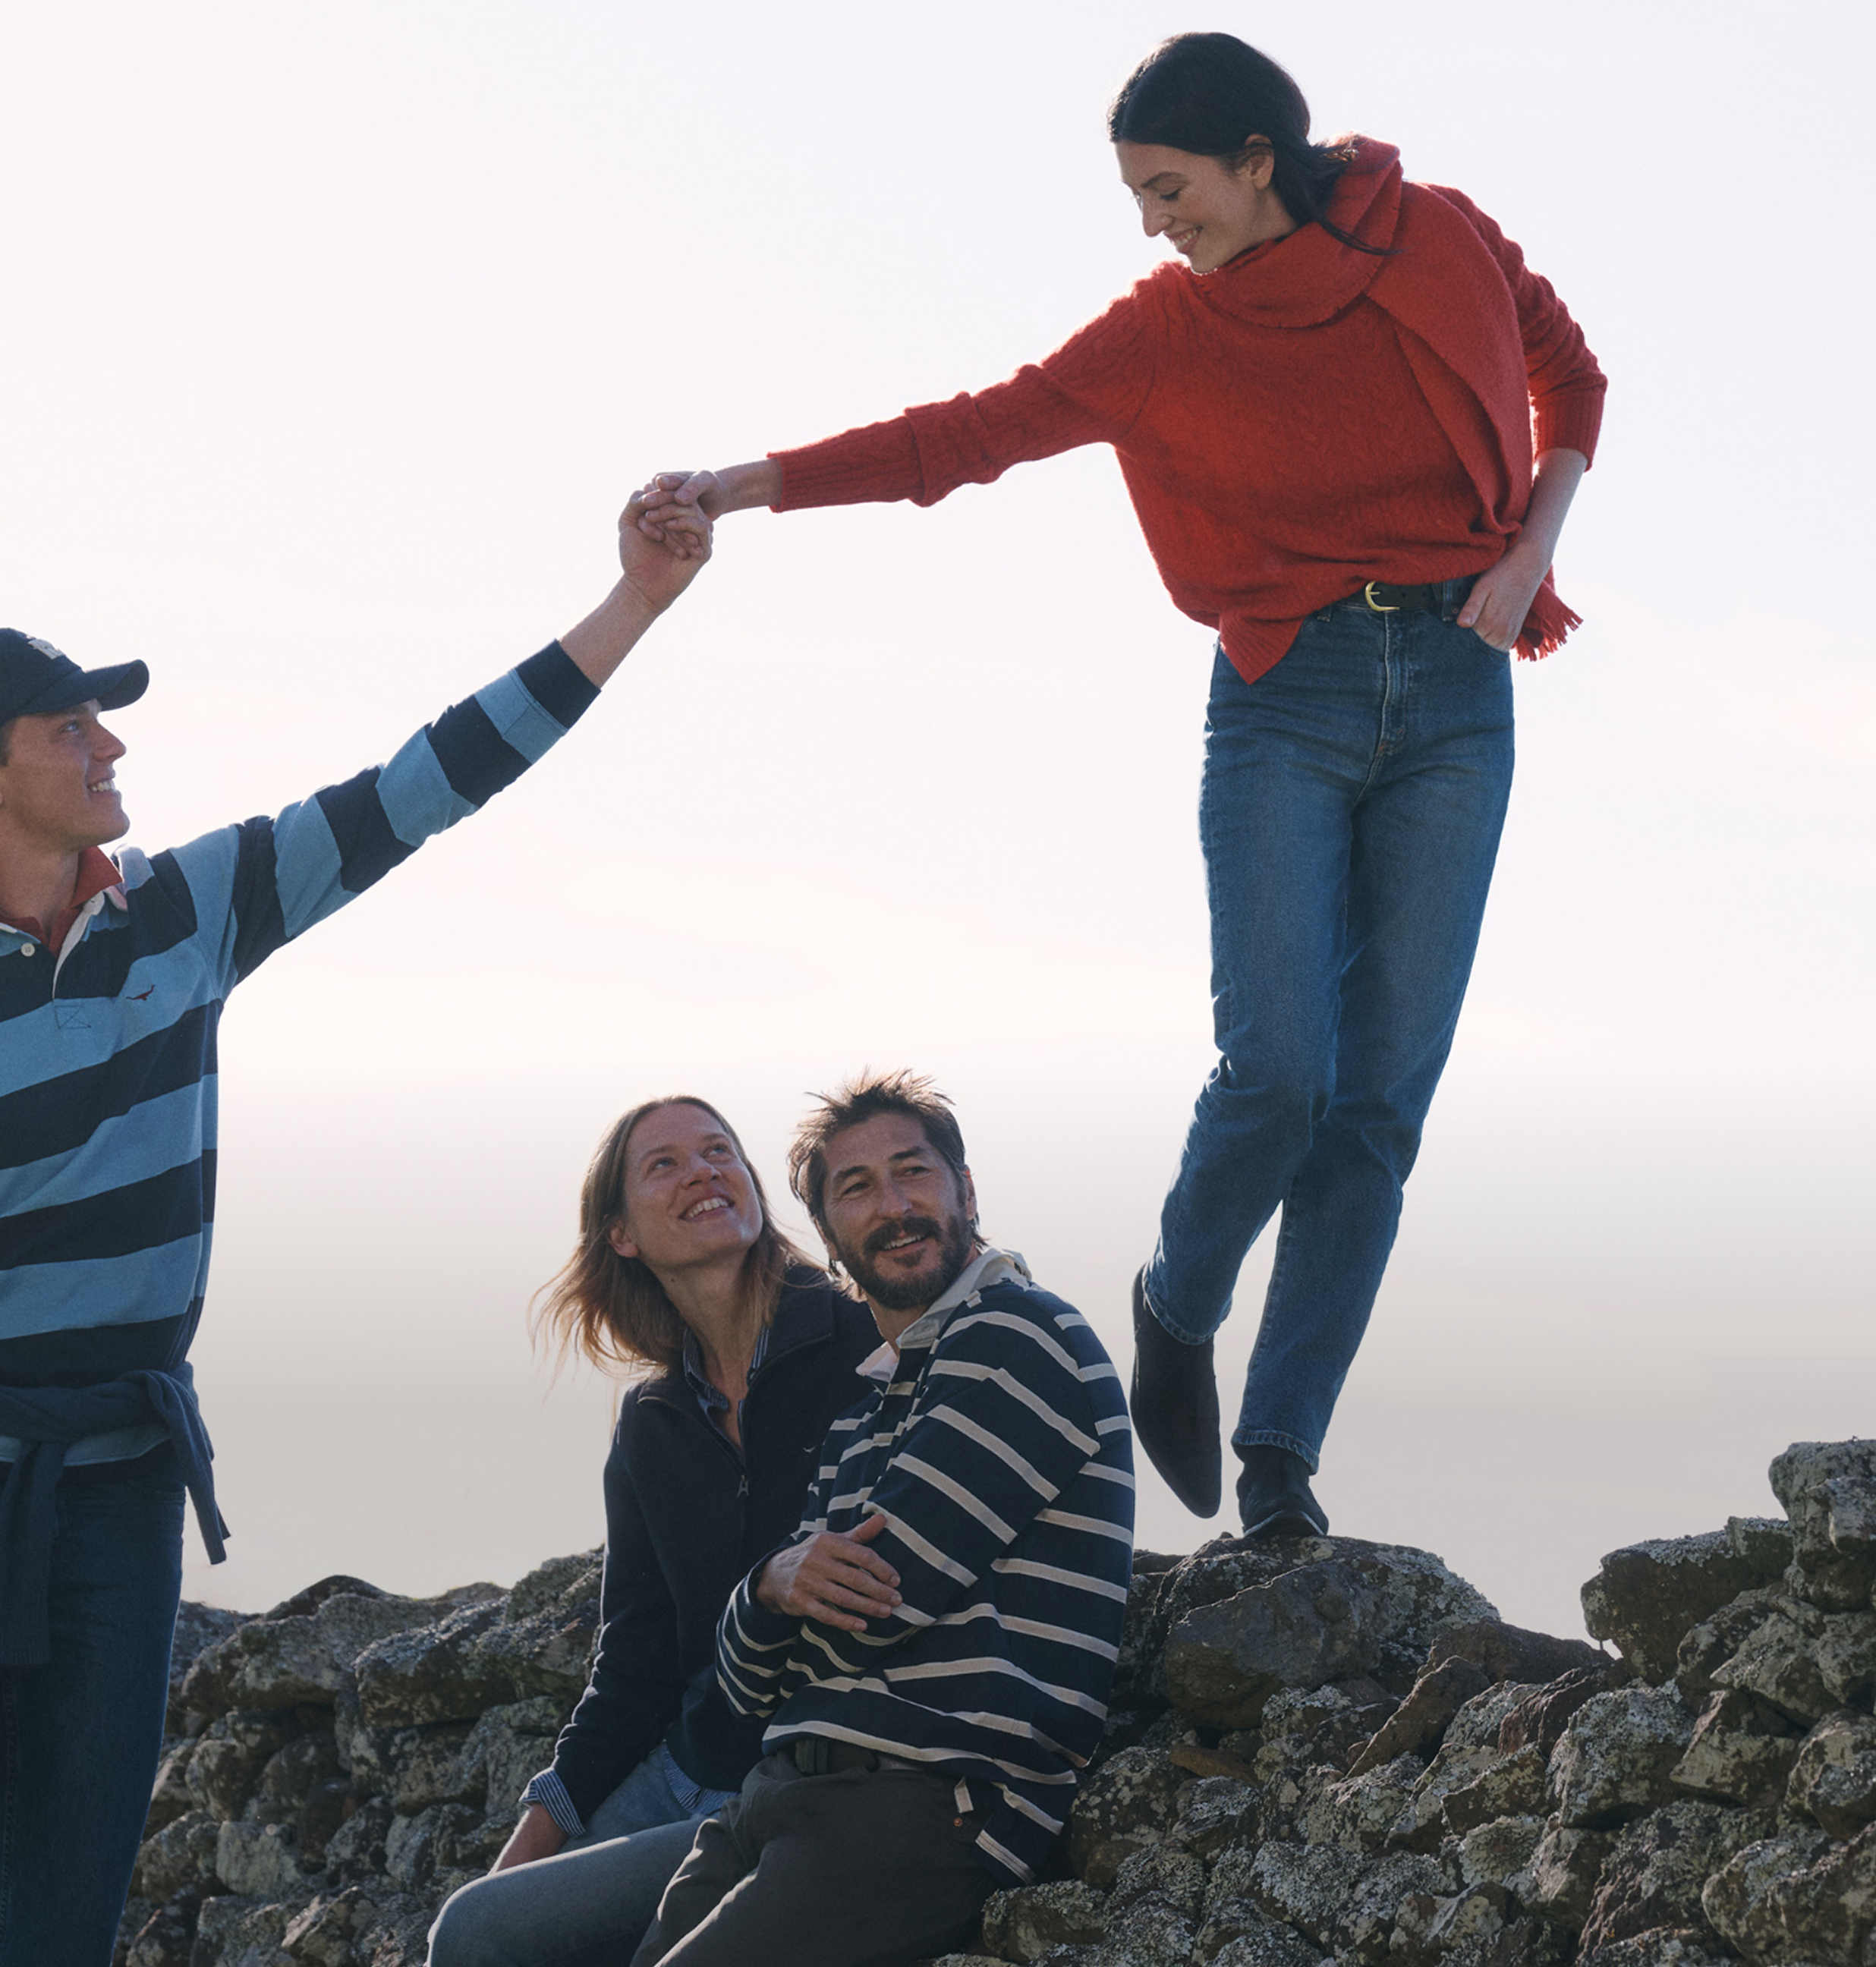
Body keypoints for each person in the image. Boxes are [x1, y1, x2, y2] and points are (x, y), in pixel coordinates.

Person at [637, 32, 1605, 1541]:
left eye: (1169, 192)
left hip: (1459, 693)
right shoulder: (1163, 334)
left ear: (1254, 165)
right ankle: (1177, 1298)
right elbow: (960, 437)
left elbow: (1570, 374)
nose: (1156, 225)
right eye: (1139, 199)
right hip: (1285, 693)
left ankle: (1279, 1460)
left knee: (1374, 1112)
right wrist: (743, 485)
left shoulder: (1440, 239)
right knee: (1278, 1068)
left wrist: (1532, 547)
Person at [0, 489, 709, 1967]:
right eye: (71, 730)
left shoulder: (192, 911)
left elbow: (420, 786)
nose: (110, 747)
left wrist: (631, 602)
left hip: (121, 1472)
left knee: (65, 1906)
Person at [623, 1073, 1135, 1967]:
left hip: (921, 1806)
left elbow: (878, 1604)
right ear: (826, 1237)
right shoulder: (862, 1412)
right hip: (773, 1797)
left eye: (913, 1174)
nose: (893, 1207)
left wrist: (785, 1609)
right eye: (855, 1189)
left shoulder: (1017, 1336)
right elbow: (739, 1684)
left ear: (965, 1191)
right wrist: (774, 1585)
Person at [423, 1098, 878, 1967]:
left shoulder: (866, 1345)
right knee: (474, 1927)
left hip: (795, 1786)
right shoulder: (652, 1422)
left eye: (718, 1151)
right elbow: (632, 1664)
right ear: (621, 1235)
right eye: (662, 1165)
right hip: (677, 1768)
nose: (703, 1170)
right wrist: (518, 1854)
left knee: (517, 1943)